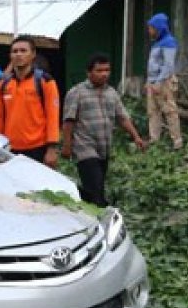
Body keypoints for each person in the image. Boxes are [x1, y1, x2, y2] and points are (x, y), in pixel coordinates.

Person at [62, 54, 146, 207]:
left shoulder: (111, 93)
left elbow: (122, 117)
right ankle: (99, 215)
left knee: (95, 186)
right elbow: (69, 121)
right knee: (96, 186)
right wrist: (67, 146)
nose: (104, 74)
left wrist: (136, 137)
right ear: (89, 73)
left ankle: (77, 197)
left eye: (107, 70)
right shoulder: (77, 92)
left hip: (104, 148)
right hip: (84, 147)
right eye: (99, 70)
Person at [0, 36, 61, 168]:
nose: (19, 55)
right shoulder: (4, 84)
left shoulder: (45, 81)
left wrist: (52, 148)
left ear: (33, 54)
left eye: (23, 51)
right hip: (10, 149)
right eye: (15, 51)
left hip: (38, 148)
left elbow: (53, 116)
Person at [145, 13, 184, 150]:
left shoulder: (169, 42)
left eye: (151, 28)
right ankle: (154, 140)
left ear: (159, 28)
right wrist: (150, 82)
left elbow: (168, 65)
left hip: (164, 82)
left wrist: (158, 82)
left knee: (169, 111)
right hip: (153, 82)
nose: (149, 31)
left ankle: (177, 143)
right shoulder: (157, 43)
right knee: (153, 112)